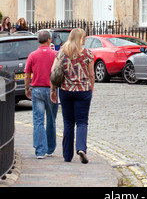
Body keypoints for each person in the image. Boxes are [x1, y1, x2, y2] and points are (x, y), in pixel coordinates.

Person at [50, 28, 95, 164]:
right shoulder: (88, 54)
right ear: (80, 38)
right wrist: (90, 89)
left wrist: (53, 90)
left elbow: (53, 72)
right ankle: (81, 148)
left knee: (68, 122)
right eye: (84, 37)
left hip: (66, 91)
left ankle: (67, 155)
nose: (85, 39)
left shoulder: (62, 53)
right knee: (82, 121)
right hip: (83, 91)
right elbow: (91, 75)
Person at [24, 30, 58, 159]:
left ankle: (40, 150)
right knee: (51, 119)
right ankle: (50, 148)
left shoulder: (32, 55)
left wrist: (27, 88)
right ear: (49, 40)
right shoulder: (55, 54)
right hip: (51, 89)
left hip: (37, 90)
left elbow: (27, 75)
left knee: (38, 120)